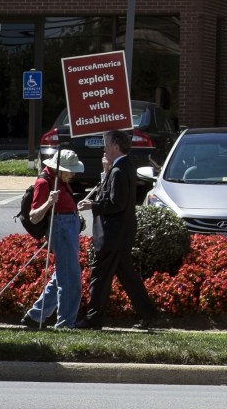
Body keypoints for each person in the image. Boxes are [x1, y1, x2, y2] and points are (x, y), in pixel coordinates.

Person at [76, 130, 164, 330]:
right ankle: (150, 315)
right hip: (119, 234)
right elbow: (115, 197)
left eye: (106, 144)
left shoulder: (119, 170)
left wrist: (93, 206)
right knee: (128, 278)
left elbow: (117, 203)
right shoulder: (120, 167)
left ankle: (93, 319)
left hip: (113, 235)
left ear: (116, 146)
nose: (104, 148)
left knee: (99, 277)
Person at [23, 149, 85, 330]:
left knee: (62, 276)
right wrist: (49, 202)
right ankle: (65, 324)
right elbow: (34, 216)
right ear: (60, 169)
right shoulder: (44, 182)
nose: (73, 174)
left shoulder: (60, 179)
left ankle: (36, 315)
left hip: (67, 228)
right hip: (61, 230)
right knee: (71, 280)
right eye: (71, 170)